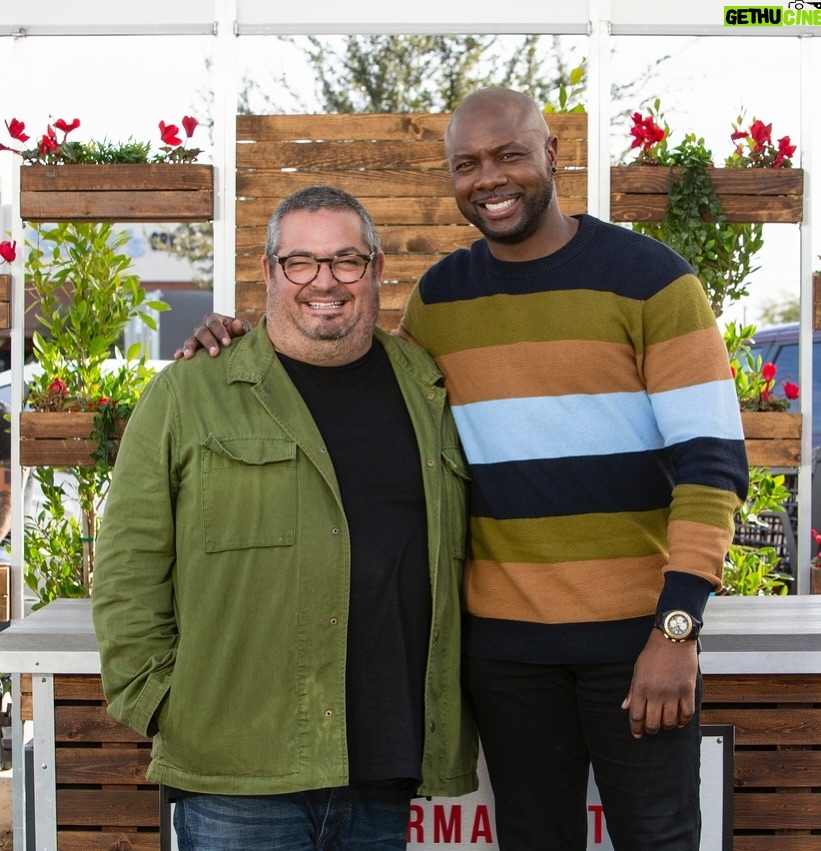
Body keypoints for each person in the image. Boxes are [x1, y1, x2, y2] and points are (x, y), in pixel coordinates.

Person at [179, 89, 750, 850]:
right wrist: (243, 335)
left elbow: (712, 465)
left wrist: (676, 629)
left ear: (552, 154)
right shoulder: (441, 298)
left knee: (660, 839)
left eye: (509, 154)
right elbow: (353, 363)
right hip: (506, 655)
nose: (489, 178)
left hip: (636, 643)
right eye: (467, 164)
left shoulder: (651, 279)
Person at [92, 185, 478, 851]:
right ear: (269, 271)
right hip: (236, 770)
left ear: (377, 269)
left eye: (346, 260)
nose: (324, 281)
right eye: (300, 261)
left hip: (383, 763)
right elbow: (127, 566)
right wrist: (160, 702)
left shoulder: (428, 390)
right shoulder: (189, 392)